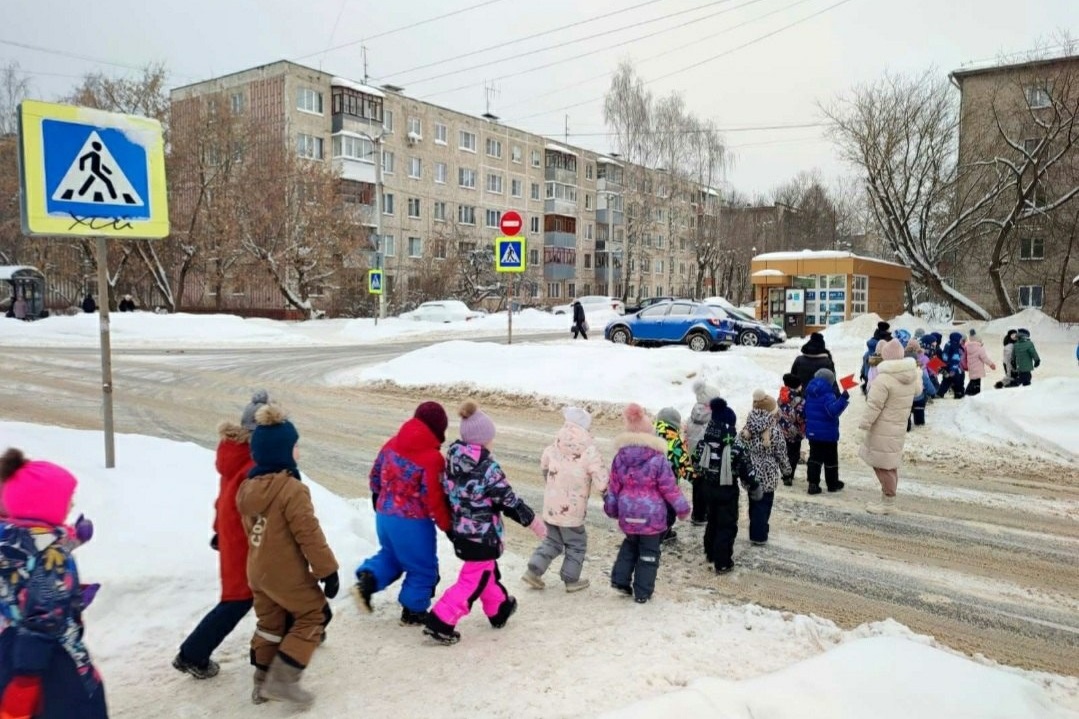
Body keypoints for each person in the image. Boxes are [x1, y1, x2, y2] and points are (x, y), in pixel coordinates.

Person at [236, 404, 338, 707]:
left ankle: (261, 682)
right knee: (312, 615)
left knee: (270, 624)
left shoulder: (246, 489)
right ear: (282, 453)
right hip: (285, 573)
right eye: (295, 448)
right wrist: (327, 571)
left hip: (256, 570)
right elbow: (309, 534)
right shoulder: (292, 489)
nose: (298, 453)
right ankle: (283, 681)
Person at [424, 402, 545, 645]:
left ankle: (499, 608)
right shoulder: (486, 467)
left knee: (484, 572)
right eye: (490, 439)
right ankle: (441, 620)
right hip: (482, 537)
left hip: (462, 532)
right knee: (472, 580)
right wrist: (533, 522)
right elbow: (508, 500)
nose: (492, 443)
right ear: (482, 440)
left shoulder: (452, 461)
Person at [0, 448, 109, 719]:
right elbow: (43, 619)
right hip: (49, 659)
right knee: (81, 705)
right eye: (67, 499)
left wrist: (74, 542)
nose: (71, 505)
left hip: (9, 648)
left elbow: (31, 560)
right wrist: (27, 680)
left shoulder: (9, 539)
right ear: (44, 505)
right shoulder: (52, 555)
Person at [173, 391, 267, 680]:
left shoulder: (236, 454)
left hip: (232, 535)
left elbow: (222, 500)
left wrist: (218, 530)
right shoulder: (254, 465)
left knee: (270, 590)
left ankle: (311, 629)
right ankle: (192, 654)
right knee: (239, 599)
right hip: (246, 540)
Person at [354, 402, 452, 625]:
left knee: (392, 555)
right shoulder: (432, 459)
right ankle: (413, 610)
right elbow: (434, 499)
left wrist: (377, 496)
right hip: (413, 524)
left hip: (384, 516)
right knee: (423, 568)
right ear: (438, 429)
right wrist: (448, 525)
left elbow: (375, 473)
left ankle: (368, 580)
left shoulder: (392, 443)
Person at [605, 403, 690, 604]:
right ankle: (642, 591)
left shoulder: (620, 457)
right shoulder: (658, 459)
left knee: (630, 544)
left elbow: (613, 487)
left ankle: (620, 579)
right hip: (651, 516)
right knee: (649, 552)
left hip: (628, 513)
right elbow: (670, 488)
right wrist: (682, 508)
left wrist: (611, 508)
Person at [523, 407, 607, 592]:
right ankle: (571, 579)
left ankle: (533, 570)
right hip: (572, 510)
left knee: (552, 540)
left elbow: (544, 465)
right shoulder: (589, 450)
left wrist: (551, 482)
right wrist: (606, 493)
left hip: (552, 506)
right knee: (576, 543)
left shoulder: (555, 445)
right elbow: (601, 476)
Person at [691, 398, 758, 574]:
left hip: (707, 488)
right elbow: (745, 467)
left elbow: (696, 463)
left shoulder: (704, 442)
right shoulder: (735, 445)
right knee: (726, 525)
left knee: (712, 519)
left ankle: (711, 553)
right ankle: (722, 562)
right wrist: (753, 485)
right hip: (726, 490)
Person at [859, 339, 920, 515]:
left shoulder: (883, 379)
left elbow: (874, 406)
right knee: (889, 464)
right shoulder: (910, 376)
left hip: (882, 429)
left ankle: (888, 502)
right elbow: (918, 391)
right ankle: (888, 499)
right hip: (898, 427)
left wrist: (863, 425)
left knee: (882, 465)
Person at [740, 391, 791, 544]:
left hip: (750, 472)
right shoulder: (775, 431)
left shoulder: (747, 428)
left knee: (754, 502)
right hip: (768, 474)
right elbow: (781, 452)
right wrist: (786, 470)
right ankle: (759, 534)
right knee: (765, 504)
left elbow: (739, 446)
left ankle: (756, 528)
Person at [803, 369, 850, 495]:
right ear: (830, 381)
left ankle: (813, 484)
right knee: (831, 460)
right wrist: (843, 399)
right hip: (828, 434)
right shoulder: (828, 394)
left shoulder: (810, 393)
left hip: (813, 433)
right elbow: (832, 412)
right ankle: (832, 484)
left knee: (814, 458)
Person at [654, 407, 694, 543]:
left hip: (648, 484)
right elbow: (683, 464)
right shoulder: (675, 441)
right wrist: (696, 480)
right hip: (668, 487)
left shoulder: (648, 434)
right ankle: (662, 534)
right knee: (669, 511)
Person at [685, 379, 720, 525]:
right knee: (707, 484)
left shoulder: (695, 411)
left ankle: (697, 514)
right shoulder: (711, 415)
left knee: (697, 483)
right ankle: (703, 514)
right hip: (706, 455)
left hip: (693, 454)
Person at [777, 373, 805, 486]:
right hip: (794, 431)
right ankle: (789, 475)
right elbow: (801, 416)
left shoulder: (781, 397)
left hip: (781, 430)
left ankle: (785, 473)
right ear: (797, 386)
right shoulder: (799, 400)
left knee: (784, 452)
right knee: (794, 454)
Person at [962, 329, 996, 397]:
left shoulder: (968, 346)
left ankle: (970, 392)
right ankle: (973, 393)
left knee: (973, 380)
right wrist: (991, 364)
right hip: (978, 368)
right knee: (976, 382)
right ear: (978, 340)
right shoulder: (979, 348)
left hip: (971, 367)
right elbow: (984, 358)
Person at [937, 332, 966, 399]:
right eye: (960, 339)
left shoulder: (947, 344)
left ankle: (939, 394)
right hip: (953, 368)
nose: (961, 341)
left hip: (946, 366)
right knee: (957, 381)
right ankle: (959, 394)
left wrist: (945, 364)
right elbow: (955, 359)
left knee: (946, 381)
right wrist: (953, 369)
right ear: (957, 339)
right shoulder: (955, 347)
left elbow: (944, 356)